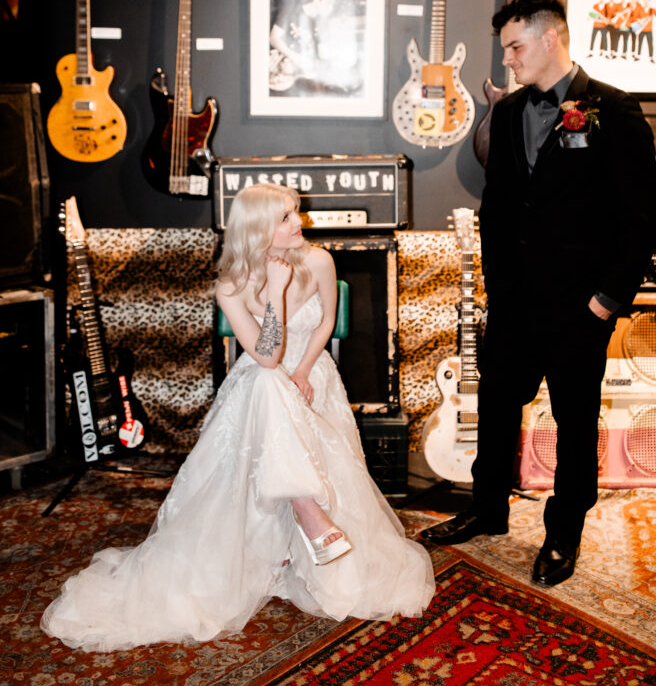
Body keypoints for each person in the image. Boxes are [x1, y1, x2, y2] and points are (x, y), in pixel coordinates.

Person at [41, 184, 434, 651]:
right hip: (263, 380)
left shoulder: (320, 261)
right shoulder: (231, 284)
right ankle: (308, 513)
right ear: (259, 229)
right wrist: (275, 295)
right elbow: (266, 357)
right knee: (267, 383)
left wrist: (305, 369)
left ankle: (304, 522)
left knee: (276, 386)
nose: (298, 223)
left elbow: (327, 321)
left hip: (312, 375)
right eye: (287, 217)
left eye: (295, 214)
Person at [422, 0, 656, 587]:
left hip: (579, 307)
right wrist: (493, 288)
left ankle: (563, 532)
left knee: (574, 418)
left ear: (550, 38)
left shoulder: (613, 109)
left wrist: (607, 300)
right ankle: (486, 509)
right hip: (512, 303)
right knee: (497, 405)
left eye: (514, 46)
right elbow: (500, 205)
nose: (507, 59)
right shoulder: (504, 114)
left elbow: (641, 217)